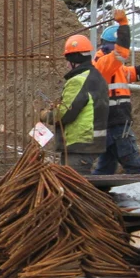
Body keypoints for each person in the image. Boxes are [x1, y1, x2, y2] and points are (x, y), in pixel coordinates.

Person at [93, 11, 140, 175]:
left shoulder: (107, 65)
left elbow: (127, 73)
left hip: (111, 123)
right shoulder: (105, 63)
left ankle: (96, 194)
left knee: (105, 169)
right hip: (116, 123)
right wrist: (124, 25)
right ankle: (137, 199)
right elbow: (122, 53)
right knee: (135, 168)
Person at [46, 33, 110, 174]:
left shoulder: (78, 80)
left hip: (79, 144)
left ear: (74, 59)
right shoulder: (97, 77)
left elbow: (65, 113)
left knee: (73, 188)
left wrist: (48, 115)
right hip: (92, 143)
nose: (67, 64)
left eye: (68, 59)